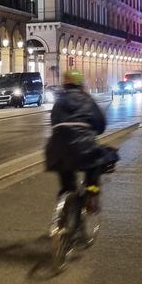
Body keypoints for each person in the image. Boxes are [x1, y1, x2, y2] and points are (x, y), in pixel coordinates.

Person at [46, 69, 107, 211]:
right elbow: (100, 124)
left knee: (67, 183)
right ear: (81, 85)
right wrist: (93, 131)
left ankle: (63, 211)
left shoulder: (59, 101)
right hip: (84, 147)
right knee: (94, 168)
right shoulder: (87, 99)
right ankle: (92, 194)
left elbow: (54, 123)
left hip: (56, 150)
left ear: (65, 86)